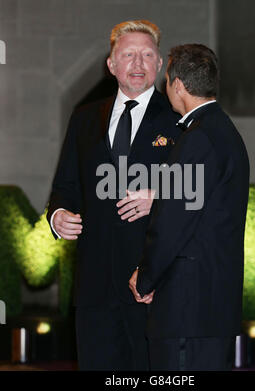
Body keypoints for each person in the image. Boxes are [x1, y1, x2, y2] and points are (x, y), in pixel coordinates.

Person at [47, 20, 181, 370]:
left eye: (147, 55)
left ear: (160, 64)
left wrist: (161, 195)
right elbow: (65, 186)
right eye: (129, 55)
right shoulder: (84, 118)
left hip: (151, 285)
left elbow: (202, 189)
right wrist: (57, 216)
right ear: (111, 64)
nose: (138, 64)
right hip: (93, 288)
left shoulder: (179, 120)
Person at [129, 44, 250, 371]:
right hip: (209, 308)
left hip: (187, 311)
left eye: (167, 79)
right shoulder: (223, 131)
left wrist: (146, 279)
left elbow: (173, 221)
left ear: (178, 85)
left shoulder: (199, 138)